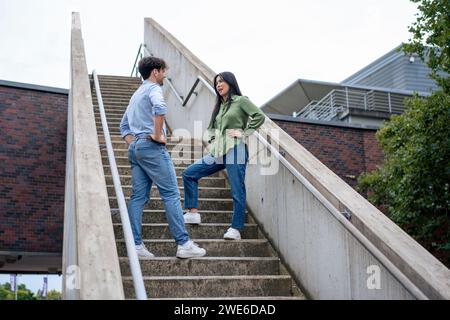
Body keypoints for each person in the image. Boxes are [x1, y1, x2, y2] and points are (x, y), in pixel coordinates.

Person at [119, 56, 206, 259]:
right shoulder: (153, 89)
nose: (165, 75)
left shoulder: (136, 94)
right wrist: (157, 136)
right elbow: (160, 108)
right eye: (163, 71)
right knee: (171, 194)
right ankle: (184, 243)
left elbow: (123, 126)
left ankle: (136, 246)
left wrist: (136, 144)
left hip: (137, 148)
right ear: (155, 72)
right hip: (151, 147)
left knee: (138, 197)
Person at [182, 71, 266, 240]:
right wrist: (214, 140)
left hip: (236, 149)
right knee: (189, 173)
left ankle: (236, 229)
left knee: (237, 189)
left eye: (221, 81)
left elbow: (259, 116)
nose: (218, 85)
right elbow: (211, 128)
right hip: (219, 152)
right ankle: (192, 212)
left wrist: (243, 132)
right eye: (216, 83)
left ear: (230, 82)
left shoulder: (241, 101)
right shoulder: (219, 106)